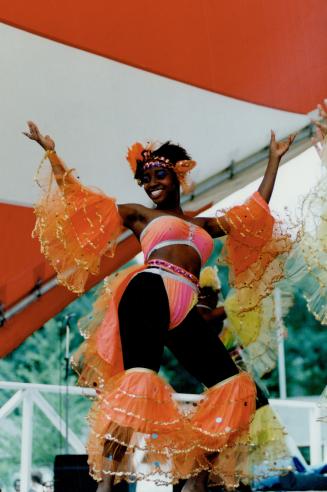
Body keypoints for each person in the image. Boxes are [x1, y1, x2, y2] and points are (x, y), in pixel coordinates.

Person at [24, 122, 294, 492]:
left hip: (185, 304)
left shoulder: (202, 224)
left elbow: (251, 215)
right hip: (148, 288)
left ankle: (195, 480)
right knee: (140, 378)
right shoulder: (140, 214)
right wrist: (52, 153)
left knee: (238, 387)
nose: (152, 182)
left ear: (177, 177)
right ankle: (106, 485)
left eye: (160, 174)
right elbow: (80, 199)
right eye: (146, 177)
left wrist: (273, 162)